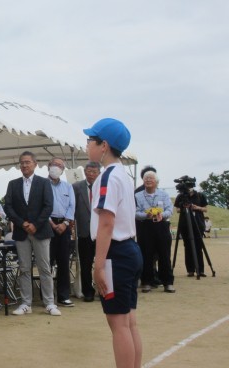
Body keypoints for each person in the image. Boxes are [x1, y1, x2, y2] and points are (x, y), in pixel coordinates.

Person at [85, 118, 142, 368]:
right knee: (128, 322)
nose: (87, 145)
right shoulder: (123, 174)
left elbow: (106, 223)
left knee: (118, 323)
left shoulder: (108, 176)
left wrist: (98, 265)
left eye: (91, 140)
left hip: (115, 253)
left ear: (104, 145)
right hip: (129, 249)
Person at [4, 151, 59, 316]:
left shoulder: (44, 183)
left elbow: (48, 206)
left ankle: (49, 303)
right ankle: (25, 303)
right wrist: (22, 223)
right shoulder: (13, 184)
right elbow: (8, 207)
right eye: (22, 162)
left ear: (35, 164)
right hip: (21, 232)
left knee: (44, 268)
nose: (24, 165)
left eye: (27, 162)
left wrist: (36, 224)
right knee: (24, 268)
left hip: (41, 231)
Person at [134, 172, 175, 293]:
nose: (148, 180)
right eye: (146, 178)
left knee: (164, 255)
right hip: (145, 227)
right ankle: (146, 282)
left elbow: (169, 210)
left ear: (156, 181)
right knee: (146, 255)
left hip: (161, 226)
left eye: (151, 178)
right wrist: (145, 215)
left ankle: (168, 282)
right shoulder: (137, 196)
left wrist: (163, 215)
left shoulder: (163, 194)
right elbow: (135, 212)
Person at [47, 157, 76, 308]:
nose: (56, 167)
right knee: (47, 262)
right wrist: (51, 224)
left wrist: (65, 223)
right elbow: (40, 206)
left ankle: (63, 296)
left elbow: (72, 206)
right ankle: (47, 296)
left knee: (64, 262)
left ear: (63, 170)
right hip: (47, 226)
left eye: (60, 166)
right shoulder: (42, 184)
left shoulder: (68, 186)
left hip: (65, 226)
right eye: (54, 164)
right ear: (48, 166)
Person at [72, 161, 101, 302]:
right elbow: (72, 208)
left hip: (102, 231)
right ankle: (88, 291)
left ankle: (104, 290)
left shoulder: (104, 186)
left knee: (103, 263)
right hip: (84, 231)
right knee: (86, 263)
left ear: (99, 173)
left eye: (94, 172)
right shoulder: (76, 187)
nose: (91, 174)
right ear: (84, 172)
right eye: (88, 171)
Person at [174, 182, 208, 277]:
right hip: (185, 224)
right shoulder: (180, 196)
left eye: (189, 186)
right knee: (188, 246)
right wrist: (185, 208)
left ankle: (200, 270)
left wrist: (197, 207)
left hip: (198, 223)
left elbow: (205, 209)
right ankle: (190, 270)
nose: (188, 189)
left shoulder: (200, 195)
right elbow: (177, 210)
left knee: (198, 246)